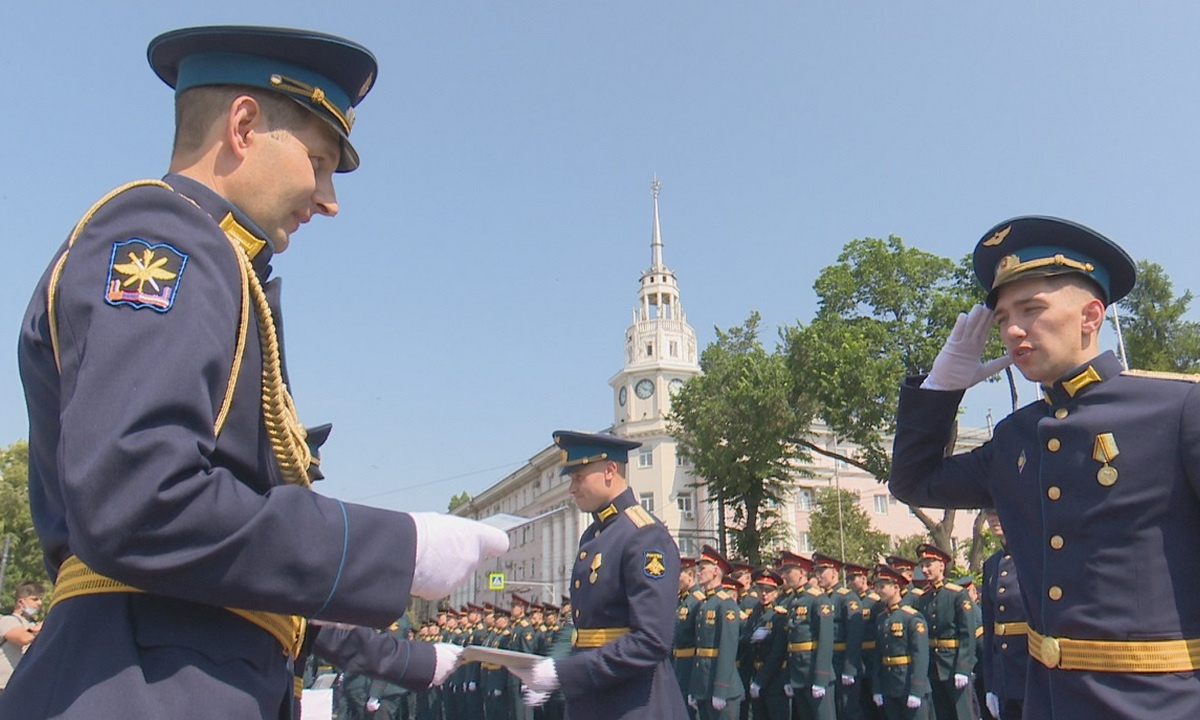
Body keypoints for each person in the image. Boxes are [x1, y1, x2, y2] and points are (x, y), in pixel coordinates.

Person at [9, 25, 509, 719]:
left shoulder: (221, 264)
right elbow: (142, 497)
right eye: (319, 160)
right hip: (148, 680)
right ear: (244, 126)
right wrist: (400, 547)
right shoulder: (166, 237)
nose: (329, 197)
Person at [889, 215, 1200, 719]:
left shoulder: (1177, 408)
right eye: (1004, 314)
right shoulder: (1016, 435)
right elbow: (913, 481)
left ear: (1090, 316)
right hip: (1047, 701)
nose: (1012, 328)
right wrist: (940, 391)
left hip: (1161, 703)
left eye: (1032, 309)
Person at [512, 430, 687, 719]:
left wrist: (564, 672)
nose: (572, 488)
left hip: (631, 703)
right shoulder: (594, 535)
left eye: (578, 477)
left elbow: (651, 640)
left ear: (610, 470)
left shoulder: (644, 535)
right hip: (595, 700)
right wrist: (559, 668)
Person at [912, 545, 976, 720]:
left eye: (929, 564)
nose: (924, 570)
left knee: (963, 714)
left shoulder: (957, 594)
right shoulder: (923, 599)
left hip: (953, 663)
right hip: (934, 666)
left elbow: (967, 634)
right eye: (922, 566)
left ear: (941, 565)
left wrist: (963, 668)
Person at [979, 511, 1027, 720]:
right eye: (988, 514)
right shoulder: (992, 564)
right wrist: (991, 684)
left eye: (998, 511)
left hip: (1031, 669)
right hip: (1004, 673)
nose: (992, 518)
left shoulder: (1032, 557)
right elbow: (990, 630)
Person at [778, 551, 835, 720]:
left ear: (802, 573)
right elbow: (790, 642)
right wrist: (788, 675)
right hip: (797, 674)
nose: (784, 576)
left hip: (814, 674)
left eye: (788, 572)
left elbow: (825, 641)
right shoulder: (792, 601)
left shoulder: (818, 599)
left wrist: (821, 677)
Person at [869, 565, 930, 720]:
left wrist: (916, 690)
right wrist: (877, 687)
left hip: (908, 684)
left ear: (896, 588)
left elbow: (920, 656)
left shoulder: (911, 617)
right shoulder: (881, 618)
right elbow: (878, 655)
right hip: (889, 685)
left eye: (882, 586)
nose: (878, 590)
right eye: (877, 586)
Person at [812, 554, 866, 720]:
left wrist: (850, 668)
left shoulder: (846, 598)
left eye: (822, 571)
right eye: (816, 571)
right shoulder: (820, 599)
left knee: (848, 709)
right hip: (828, 661)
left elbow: (854, 635)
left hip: (842, 660)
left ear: (834, 572)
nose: (818, 576)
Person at [747, 568, 791, 720]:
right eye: (760, 590)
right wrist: (751, 638)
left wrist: (761, 681)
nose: (764, 594)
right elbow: (746, 640)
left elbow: (777, 653)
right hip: (755, 673)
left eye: (768, 590)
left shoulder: (779, 616)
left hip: (774, 679)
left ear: (776, 593)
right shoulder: (755, 614)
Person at [0, 582, 43, 695]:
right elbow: (23, 638)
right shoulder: (8, 620)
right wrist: (42, 627)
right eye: (34, 599)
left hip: (21, 688)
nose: (39, 603)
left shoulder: (34, 624)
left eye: (40, 599)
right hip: (2, 687)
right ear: (21, 602)